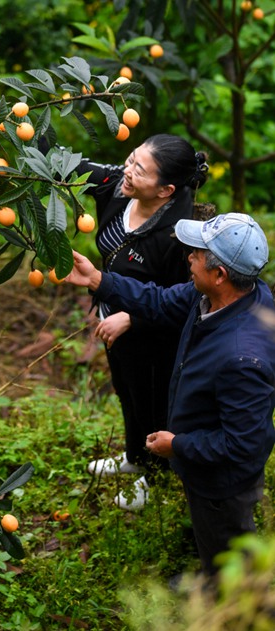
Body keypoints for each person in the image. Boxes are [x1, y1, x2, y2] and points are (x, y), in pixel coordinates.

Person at [65, 212, 275, 577]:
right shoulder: (218, 297)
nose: (188, 258)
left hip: (222, 480)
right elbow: (159, 301)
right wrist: (99, 280)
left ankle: (229, 600)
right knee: (211, 533)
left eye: (196, 254)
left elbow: (243, 446)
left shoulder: (243, 357)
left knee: (227, 534)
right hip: (202, 462)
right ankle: (210, 570)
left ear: (220, 274)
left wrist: (177, 445)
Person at [73, 134, 209, 510]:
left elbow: (179, 298)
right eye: (131, 160)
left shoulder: (177, 234)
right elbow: (71, 166)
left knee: (153, 401)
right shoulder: (121, 188)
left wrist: (131, 318)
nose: (127, 172)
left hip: (153, 335)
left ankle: (155, 478)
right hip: (112, 318)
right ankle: (135, 457)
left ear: (165, 189)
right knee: (127, 391)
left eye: (139, 170)